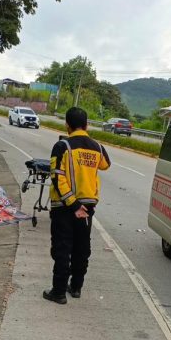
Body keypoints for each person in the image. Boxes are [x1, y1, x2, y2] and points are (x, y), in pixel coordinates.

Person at [43, 107, 111, 304]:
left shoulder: (62, 146)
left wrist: (73, 205)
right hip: (88, 207)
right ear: (87, 125)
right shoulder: (97, 147)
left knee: (62, 248)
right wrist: (92, 142)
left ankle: (58, 292)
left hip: (65, 206)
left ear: (67, 124)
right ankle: (76, 287)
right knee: (81, 249)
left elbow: (57, 177)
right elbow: (106, 164)